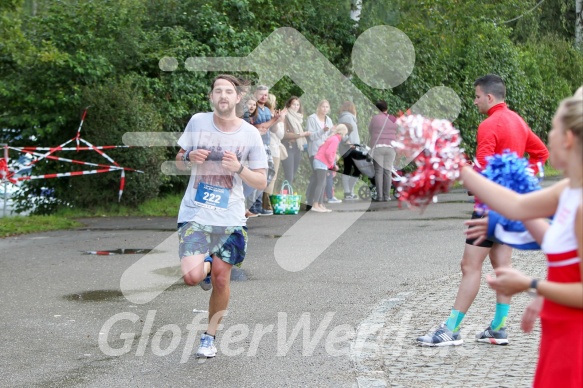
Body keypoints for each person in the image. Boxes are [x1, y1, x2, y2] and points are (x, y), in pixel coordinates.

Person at [461, 90, 582, 387]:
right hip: (558, 329)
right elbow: (517, 206)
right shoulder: (568, 189)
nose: (546, 136)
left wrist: (530, 285)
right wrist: (458, 168)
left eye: (552, 129)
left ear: (567, 139)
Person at [417, 74, 550, 346]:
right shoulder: (518, 121)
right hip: (512, 207)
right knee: (502, 266)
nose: (475, 101)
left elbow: (485, 167)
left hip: (489, 207)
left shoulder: (489, 124)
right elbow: (541, 154)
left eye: (477, 96)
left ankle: (450, 330)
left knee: (470, 265)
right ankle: (498, 328)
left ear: (489, 97)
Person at [175, 75, 267, 358]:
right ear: (211, 97)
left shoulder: (249, 134)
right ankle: (203, 263)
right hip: (195, 211)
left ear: (238, 98)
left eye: (229, 91)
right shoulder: (197, 122)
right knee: (192, 277)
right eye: (218, 91)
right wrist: (189, 158)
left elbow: (261, 182)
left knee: (221, 279)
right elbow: (179, 161)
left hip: (229, 216)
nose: (223, 95)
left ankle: (209, 336)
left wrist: (239, 168)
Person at [248, 85, 286, 216]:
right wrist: (274, 120)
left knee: (268, 174)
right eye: (261, 94)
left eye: (266, 95)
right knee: (258, 174)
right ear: (255, 94)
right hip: (256, 146)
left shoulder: (267, 109)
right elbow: (259, 127)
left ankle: (257, 203)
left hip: (266, 145)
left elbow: (268, 128)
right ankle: (253, 205)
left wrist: (277, 120)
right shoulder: (253, 108)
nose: (264, 97)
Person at [307, 124, 349, 213]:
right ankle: (315, 204)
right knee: (321, 183)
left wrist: (332, 164)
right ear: (343, 133)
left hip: (320, 161)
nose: (345, 136)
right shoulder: (335, 139)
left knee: (323, 183)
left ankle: (320, 204)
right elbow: (329, 153)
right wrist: (332, 165)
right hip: (321, 162)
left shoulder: (333, 138)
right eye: (345, 134)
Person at [305, 100, 335, 209]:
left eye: (327, 107)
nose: (325, 109)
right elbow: (311, 136)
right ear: (319, 107)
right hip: (315, 151)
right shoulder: (312, 118)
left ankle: (318, 202)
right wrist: (323, 130)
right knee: (317, 177)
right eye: (323, 106)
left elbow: (330, 137)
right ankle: (311, 200)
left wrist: (332, 132)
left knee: (321, 178)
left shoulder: (329, 120)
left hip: (325, 152)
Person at [368, 100, 397, 202]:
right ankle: (387, 196)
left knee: (379, 172)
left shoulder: (375, 119)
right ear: (387, 108)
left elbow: (370, 130)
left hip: (378, 147)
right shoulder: (393, 119)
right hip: (390, 147)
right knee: (388, 171)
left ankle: (379, 197)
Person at [262, 93, 286, 212]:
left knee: (265, 175)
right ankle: (266, 204)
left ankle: (262, 203)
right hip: (273, 148)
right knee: (272, 176)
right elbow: (280, 134)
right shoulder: (272, 115)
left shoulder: (263, 113)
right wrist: (280, 120)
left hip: (266, 147)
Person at [281, 96, 309, 184]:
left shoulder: (298, 118)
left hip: (297, 147)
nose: (296, 107)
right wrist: (300, 135)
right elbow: (283, 134)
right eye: (294, 104)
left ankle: (288, 195)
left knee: (293, 175)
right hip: (288, 146)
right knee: (288, 175)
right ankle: (287, 196)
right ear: (289, 105)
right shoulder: (285, 116)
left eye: (298, 105)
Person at [337, 101, 360, 200]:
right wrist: (348, 141)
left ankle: (349, 192)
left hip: (353, 147)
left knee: (353, 168)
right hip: (349, 147)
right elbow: (342, 131)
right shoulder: (346, 117)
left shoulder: (350, 117)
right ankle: (347, 192)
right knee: (351, 169)